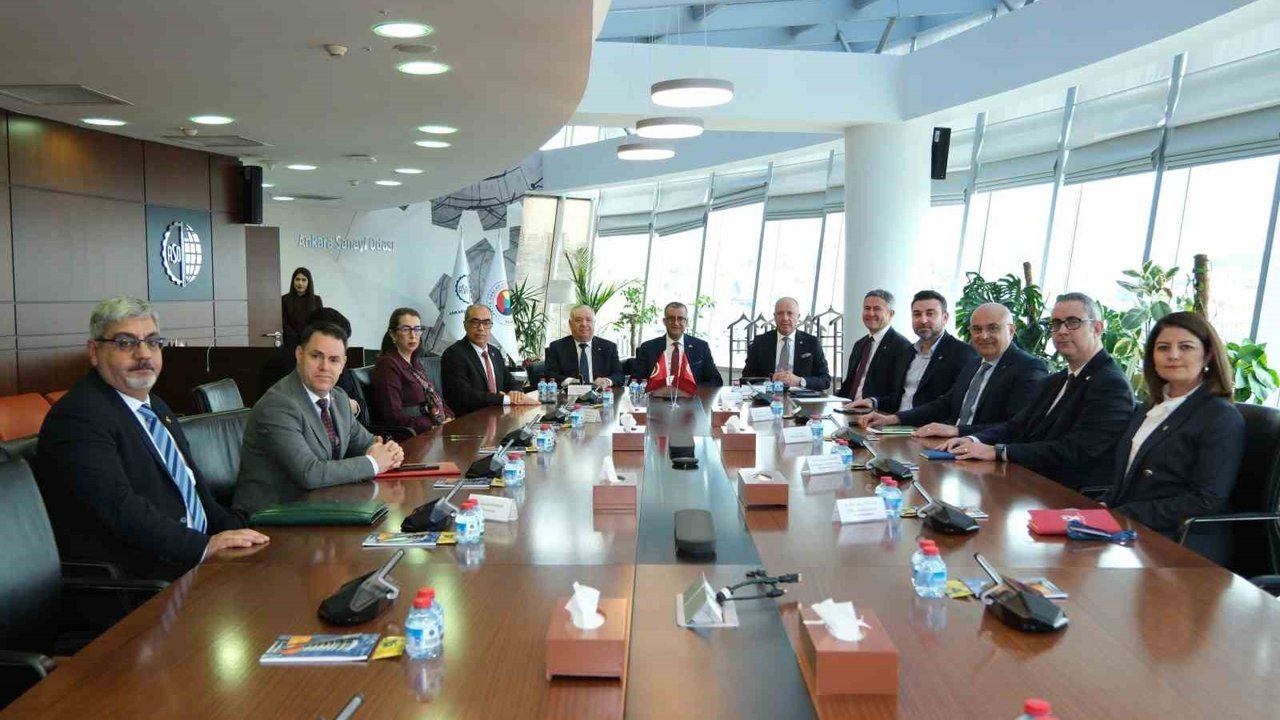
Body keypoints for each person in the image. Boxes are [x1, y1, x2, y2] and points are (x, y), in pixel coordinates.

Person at [35, 297, 268, 580]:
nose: (143, 354)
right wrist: (202, 546)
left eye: (153, 342)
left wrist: (244, 534)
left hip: (193, 560)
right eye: (126, 343)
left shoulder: (156, 407)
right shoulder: (79, 416)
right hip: (141, 579)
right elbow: (120, 508)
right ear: (94, 351)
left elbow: (196, 493)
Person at [942, 293, 1135, 490]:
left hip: (1066, 493)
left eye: (1073, 323)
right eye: (1056, 324)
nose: (1062, 331)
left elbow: (1077, 450)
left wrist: (999, 451)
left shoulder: (1111, 384)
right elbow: (1016, 426)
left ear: (1097, 328)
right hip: (1025, 480)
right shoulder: (1056, 380)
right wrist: (972, 440)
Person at [1103, 312, 1244, 563]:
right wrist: (1102, 508)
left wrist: (1124, 513)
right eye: (1163, 347)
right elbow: (1129, 477)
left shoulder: (1220, 416)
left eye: (1186, 347)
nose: (1173, 355)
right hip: (1132, 530)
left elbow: (1206, 499)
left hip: (1181, 543)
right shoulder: (1152, 407)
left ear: (1208, 356)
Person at [233, 321, 405, 515]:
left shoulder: (338, 398)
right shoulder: (278, 405)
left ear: (343, 364)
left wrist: (388, 452)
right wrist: (373, 463)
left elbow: (365, 442)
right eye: (316, 356)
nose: (325, 367)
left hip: (320, 506)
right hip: (272, 517)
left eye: (334, 360)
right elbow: (310, 473)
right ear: (299, 355)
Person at [861, 302, 1048, 436]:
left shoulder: (1028, 368)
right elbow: (945, 404)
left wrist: (957, 431)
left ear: (1011, 330)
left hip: (987, 455)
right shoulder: (974, 363)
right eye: (977, 329)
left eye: (992, 328)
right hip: (950, 447)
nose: (984, 336)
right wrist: (894, 419)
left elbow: (1016, 427)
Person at [850, 290, 975, 413]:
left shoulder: (962, 353)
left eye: (930, 314)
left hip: (925, 425)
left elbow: (951, 405)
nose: (923, 320)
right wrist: (873, 402)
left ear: (945, 318)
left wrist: (898, 419)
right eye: (917, 314)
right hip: (894, 423)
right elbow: (896, 400)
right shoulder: (908, 353)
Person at [440, 304, 539, 416]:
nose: (481, 328)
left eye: (486, 323)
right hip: (470, 419)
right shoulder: (454, 354)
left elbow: (510, 381)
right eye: (475, 322)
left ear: (491, 326)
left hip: (499, 416)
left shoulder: (494, 352)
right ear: (465, 325)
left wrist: (516, 393)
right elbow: (465, 395)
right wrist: (505, 399)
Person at [371, 307, 454, 433]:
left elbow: (436, 397)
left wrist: (449, 417)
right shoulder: (387, 365)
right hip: (413, 435)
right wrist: (432, 425)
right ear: (393, 334)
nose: (413, 335)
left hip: (434, 429)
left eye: (417, 329)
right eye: (406, 329)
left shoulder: (416, 364)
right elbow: (393, 416)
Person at [837, 290, 913, 408]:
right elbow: (848, 385)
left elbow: (898, 395)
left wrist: (872, 403)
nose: (870, 313)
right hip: (848, 409)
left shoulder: (902, 347)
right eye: (867, 308)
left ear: (891, 313)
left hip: (875, 413)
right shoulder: (859, 344)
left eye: (877, 309)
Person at [741, 296, 831, 390]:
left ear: (798, 317)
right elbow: (746, 378)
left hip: (802, 396)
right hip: (768, 395)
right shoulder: (760, 342)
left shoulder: (812, 342)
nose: (785, 318)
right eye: (780, 313)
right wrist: (770, 379)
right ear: (774, 316)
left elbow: (825, 380)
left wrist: (799, 381)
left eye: (790, 313)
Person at [634, 301, 724, 387]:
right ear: (664, 321)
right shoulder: (648, 348)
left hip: (691, 396)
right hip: (656, 396)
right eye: (671, 318)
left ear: (686, 322)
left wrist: (694, 391)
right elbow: (637, 380)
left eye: (680, 319)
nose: (676, 323)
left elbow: (716, 380)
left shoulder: (701, 347)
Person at [543, 305, 625, 388]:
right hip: (569, 394)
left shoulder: (609, 347)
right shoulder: (557, 347)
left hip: (600, 393)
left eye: (588, 320)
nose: (584, 324)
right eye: (578, 320)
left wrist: (607, 381)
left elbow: (619, 375)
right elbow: (549, 374)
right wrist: (569, 381)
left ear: (594, 323)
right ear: (570, 324)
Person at [281, 267, 322, 349]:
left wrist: (307, 335)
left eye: (304, 280)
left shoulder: (316, 300)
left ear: (308, 282)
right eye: (297, 279)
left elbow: (319, 322)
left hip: (310, 341)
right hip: (290, 342)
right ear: (293, 281)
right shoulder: (284, 299)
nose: (300, 283)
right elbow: (283, 323)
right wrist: (295, 337)